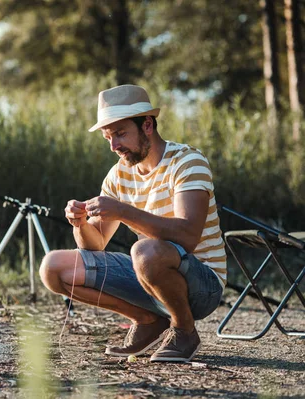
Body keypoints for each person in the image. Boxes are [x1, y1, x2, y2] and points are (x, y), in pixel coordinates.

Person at [39, 85, 226, 363]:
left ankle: (184, 329)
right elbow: (95, 245)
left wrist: (123, 211)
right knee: (53, 268)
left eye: (120, 134)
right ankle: (147, 319)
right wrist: (80, 224)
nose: (114, 146)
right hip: (149, 274)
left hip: (203, 284)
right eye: (108, 137)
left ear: (147, 125)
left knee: (144, 252)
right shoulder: (118, 175)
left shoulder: (188, 161)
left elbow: (187, 236)